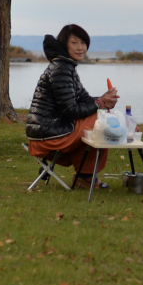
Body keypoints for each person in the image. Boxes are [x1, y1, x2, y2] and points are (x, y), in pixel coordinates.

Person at [26, 24, 118, 189]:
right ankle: (85, 175)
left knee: (101, 114)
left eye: (83, 43)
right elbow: (70, 110)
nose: (80, 47)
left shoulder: (67, 66)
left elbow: (84, 99)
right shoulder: (61, 69)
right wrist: (100, 104)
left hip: (53, 129)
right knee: (100, 120)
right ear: (64, 44)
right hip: (48, 134)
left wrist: (103, 100)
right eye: (74, 42)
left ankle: (85, 176)